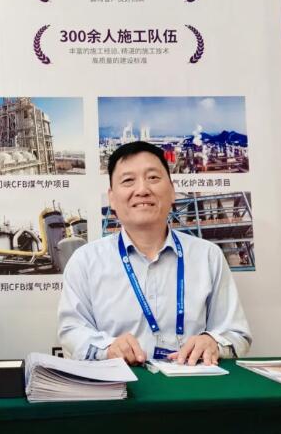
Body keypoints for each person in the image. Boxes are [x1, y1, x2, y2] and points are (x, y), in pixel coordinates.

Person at [58, 141, 250, 366]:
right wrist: (107, 348)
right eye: (128, 180)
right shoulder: (85, 261)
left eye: (153, 178)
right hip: (118, 384)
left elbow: (236, 334)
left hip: (193, 383)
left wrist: (213, 342)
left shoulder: (208, 256)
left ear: (172, 191)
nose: (142, 190)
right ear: (112, 197)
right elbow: (71, 331)